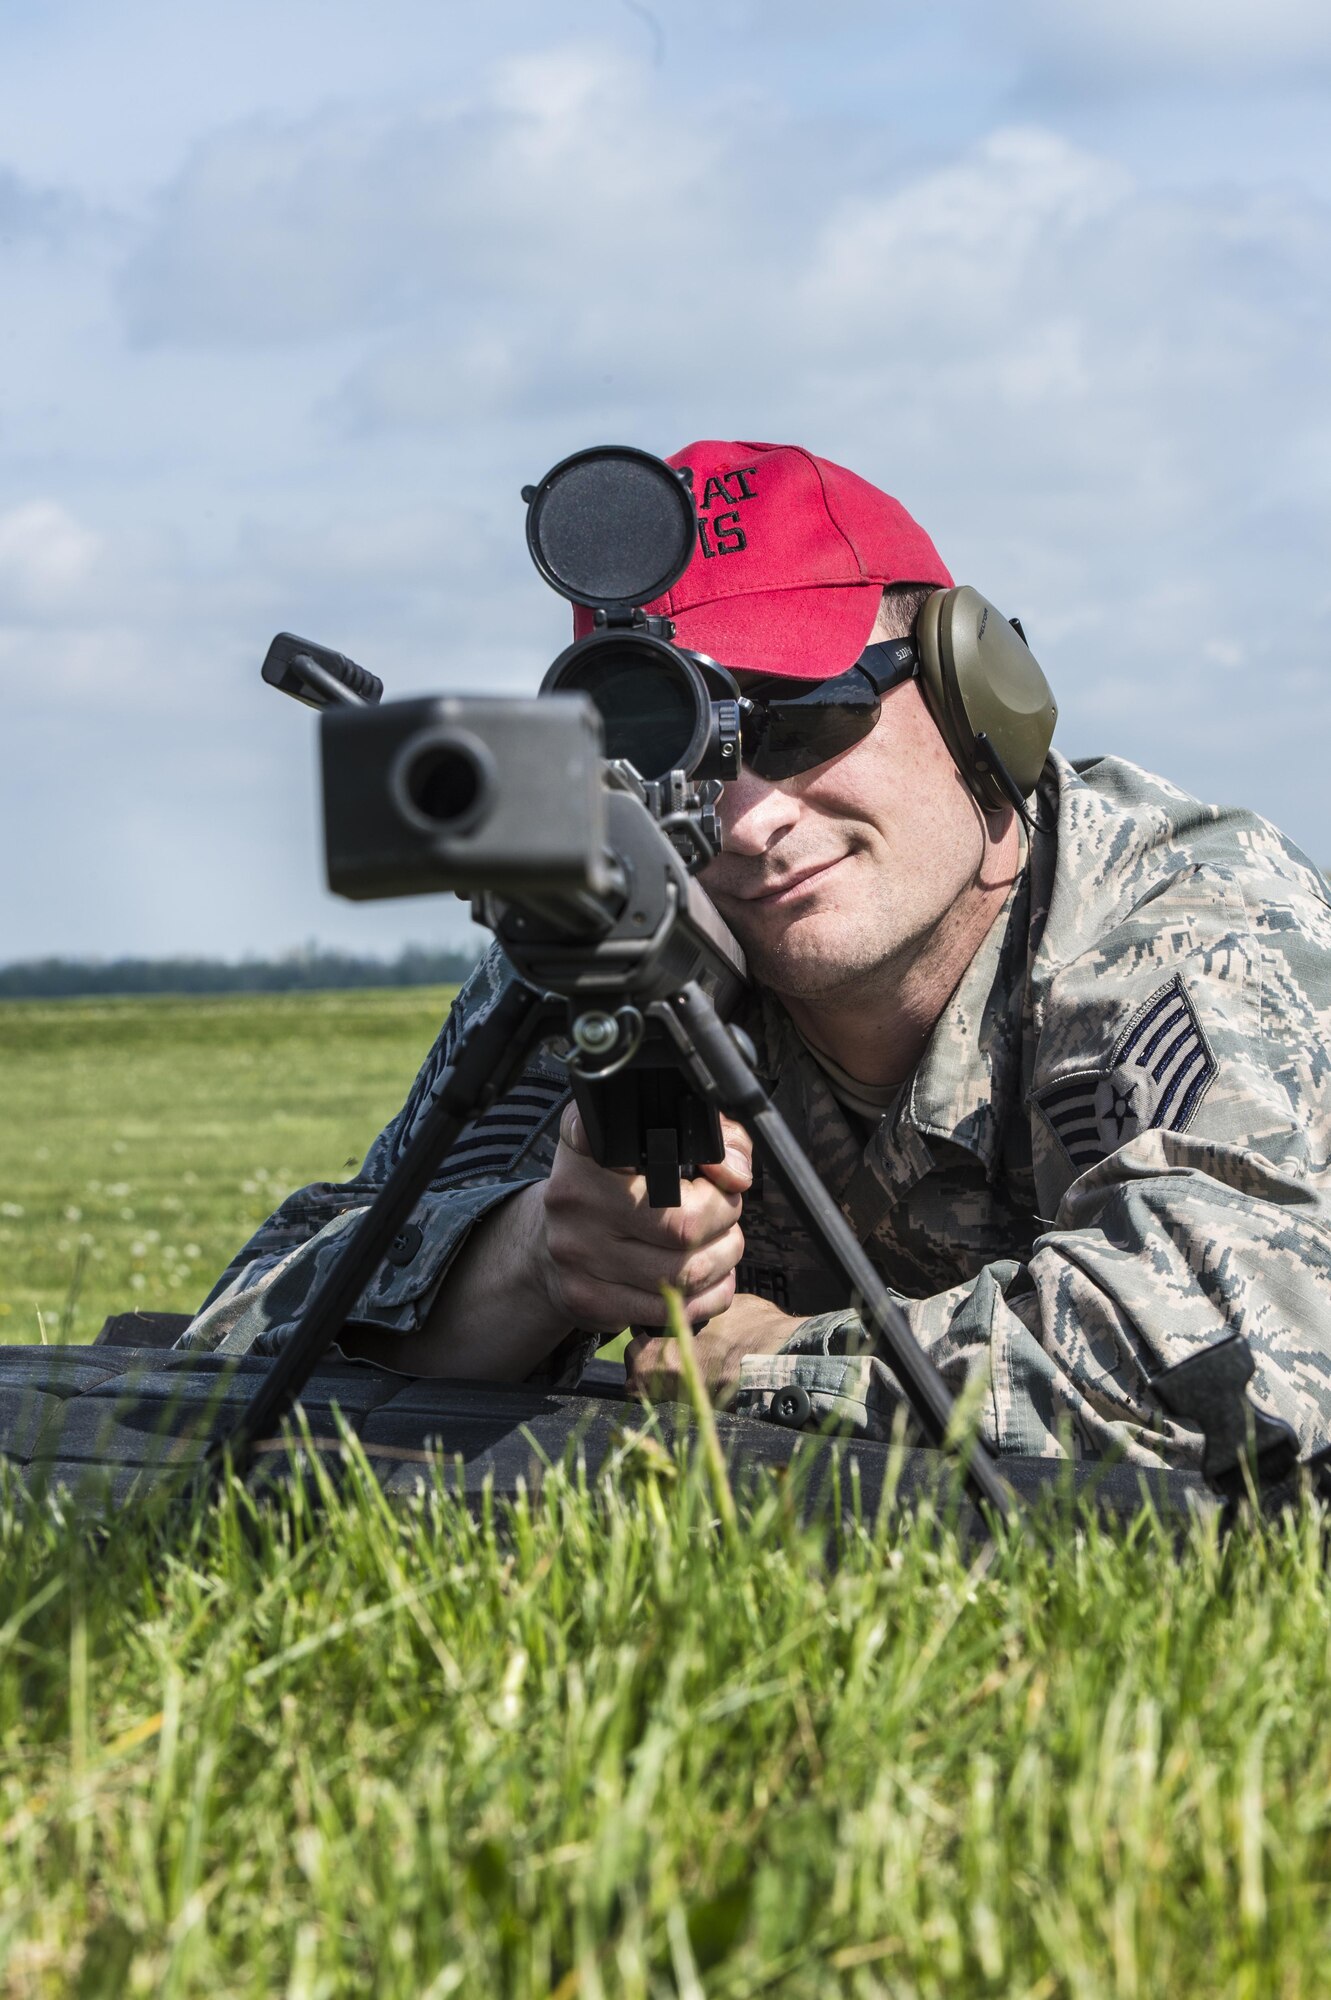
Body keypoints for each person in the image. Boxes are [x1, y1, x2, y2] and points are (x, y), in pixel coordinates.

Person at [179, 439, 1331, 1472]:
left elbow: (1256, 1337)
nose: (744, 816)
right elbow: (238, 1323)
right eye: (667, 756)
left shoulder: (1179, 917)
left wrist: (774, 1365)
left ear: (971, 687)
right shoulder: (624, 930)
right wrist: (534, 1257)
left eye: (801, 720)